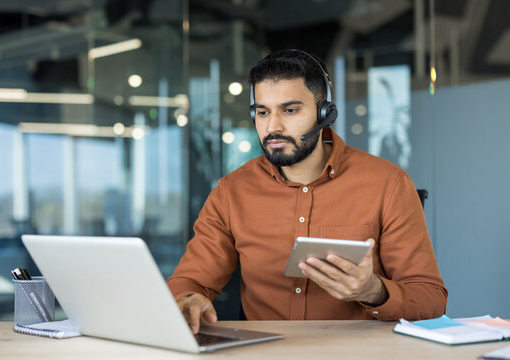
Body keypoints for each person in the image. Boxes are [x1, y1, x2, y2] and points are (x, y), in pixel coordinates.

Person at [167, 49, 448, 334]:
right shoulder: (231, 192)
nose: (273, 127)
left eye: (290, 110)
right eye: (263, 112)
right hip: (266, 353)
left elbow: (430, 297)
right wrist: (189, 299)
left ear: (324, 112)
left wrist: (374, 291)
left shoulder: (387, 184)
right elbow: (191, 281)